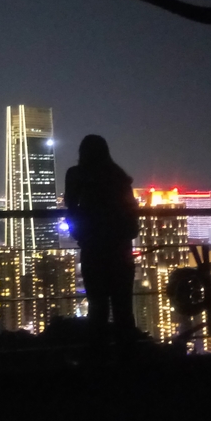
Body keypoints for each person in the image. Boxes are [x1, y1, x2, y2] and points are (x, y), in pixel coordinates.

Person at [63, 135, 139, 351]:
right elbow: (132, 222)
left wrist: (80, 234)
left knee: (97, 309)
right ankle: (129, 360)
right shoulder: (119, 178)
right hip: (121, 251)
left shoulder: (77, 175)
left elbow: (71, 207)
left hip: (93, 249)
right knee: (123, 309)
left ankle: (97, 361)